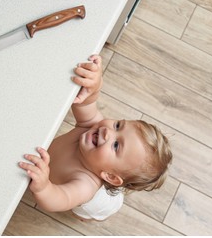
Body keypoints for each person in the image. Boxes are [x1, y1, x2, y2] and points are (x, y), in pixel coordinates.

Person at [19, 54, 173, 221]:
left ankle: (89, 217)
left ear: (110, 176)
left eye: (116, 146)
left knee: (87, 212)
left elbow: (60, 198)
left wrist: (44, 188)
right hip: (113, 179)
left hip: (99, 204)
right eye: (118, 126)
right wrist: (94, 86)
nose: (108, 132)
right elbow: (84, 102)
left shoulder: (85, 184)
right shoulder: (92, 126)